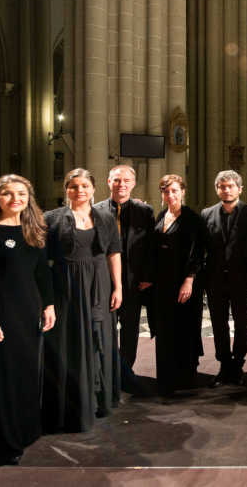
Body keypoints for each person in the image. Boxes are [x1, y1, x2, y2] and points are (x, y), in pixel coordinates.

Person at [0, 175, 55, 476]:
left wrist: (49, 304)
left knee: (24, 377)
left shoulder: (34, 230)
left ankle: (22, 435)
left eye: (21, 193)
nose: (15, 199)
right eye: (8, 194)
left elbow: (42, 272)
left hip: (26, 317)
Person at [43, 168, 122, 432]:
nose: (80, 191)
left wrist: (118, 287)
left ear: (93, 189)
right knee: (68, 341)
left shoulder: (106, 217)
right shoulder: (51, 219)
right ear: (66, 189)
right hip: (65, 285)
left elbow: (114, 253)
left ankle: (99, 398)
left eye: (85, 186)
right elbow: (41, 262)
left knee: (98, 338)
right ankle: (71, 402)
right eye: (74, 186)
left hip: (98, 283)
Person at [93, 165, 154, 392]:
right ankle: (107, 372)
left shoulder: (144, 211)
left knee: (130, 329)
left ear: (133, 183)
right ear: (108, 182)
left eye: (126, 180)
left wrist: (147, 276)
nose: (122, 184)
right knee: (106, 329)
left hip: (133, 281)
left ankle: (126, 372)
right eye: (117, 180)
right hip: (104, 281)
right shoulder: (95, 210)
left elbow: (150, 246)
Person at [201, 170, 247, 387]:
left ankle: (238, 365)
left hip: (241, 276)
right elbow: (203, 246)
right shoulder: (206, 214)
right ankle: (224, 364)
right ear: (217, 189)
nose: (226, 190)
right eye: (222, 186)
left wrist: (242, 260)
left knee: (241, 322)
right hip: (214, 277)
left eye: (230, 186)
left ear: (239, 189)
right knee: (218, 323)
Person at [151, 174, 205, 396]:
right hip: (163, 283)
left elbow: (198, 252)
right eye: (166, 191)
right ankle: (166, 376)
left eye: (174, 191)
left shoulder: (192, 218)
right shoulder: (162, 215)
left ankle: (185, 377)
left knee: (185, 327)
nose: (170, 195)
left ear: (183, 192)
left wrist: (189, 280)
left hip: (185, 282)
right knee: (164, 328)